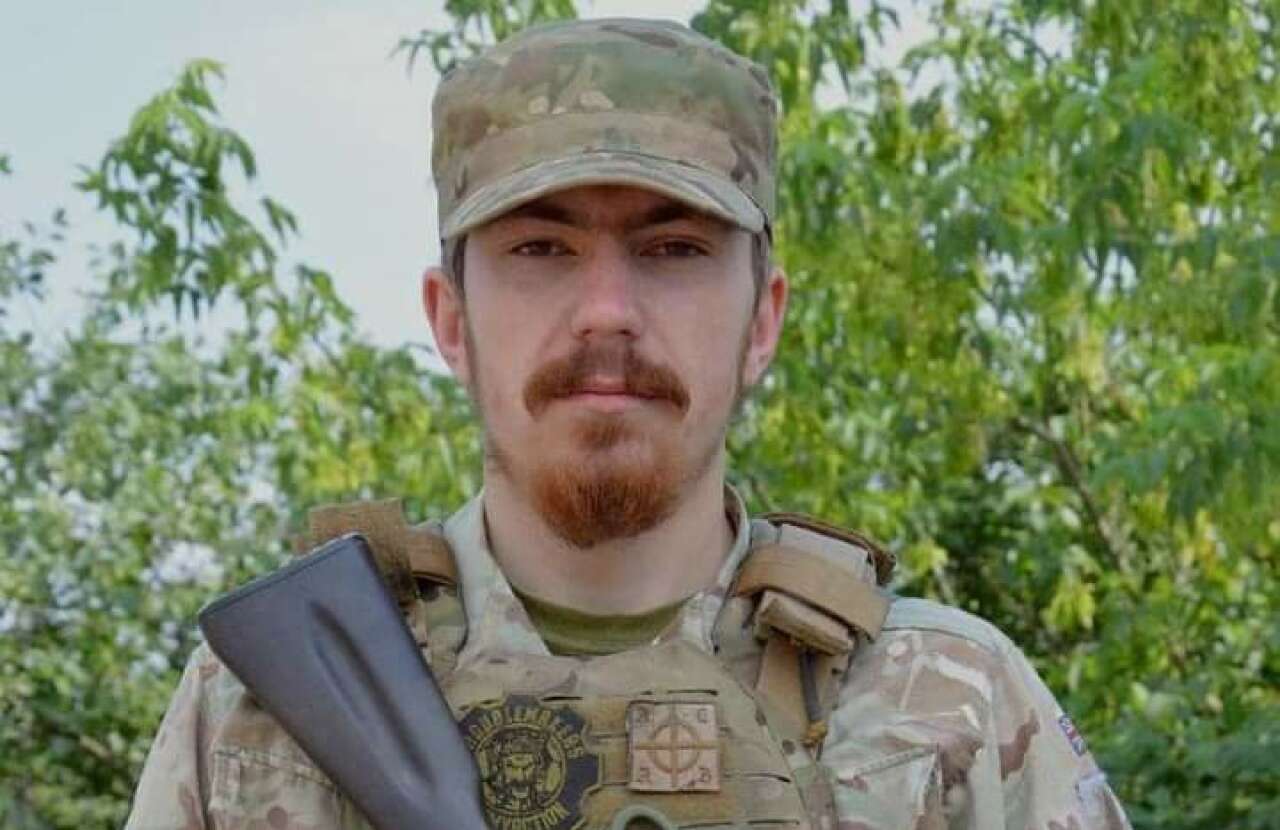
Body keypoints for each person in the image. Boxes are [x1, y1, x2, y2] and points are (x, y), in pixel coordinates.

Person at [125, 17, 1131, 830]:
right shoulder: (268, 708)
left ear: (762, 320)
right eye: (539, 249)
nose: (606, 310)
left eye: (674, 248)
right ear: (450, 320)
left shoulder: (946, 703)